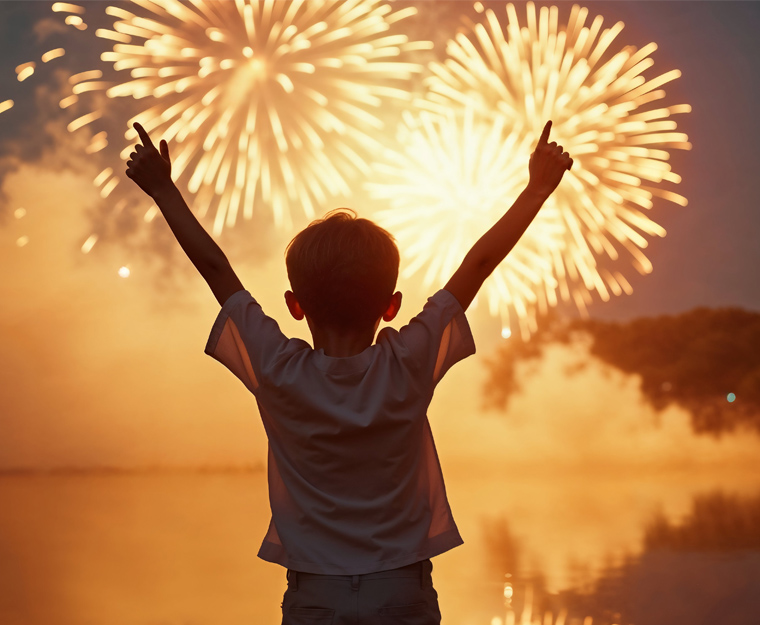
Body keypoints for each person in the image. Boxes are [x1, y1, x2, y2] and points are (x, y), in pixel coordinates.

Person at [125, 120, 572, 624]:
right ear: (392, 306)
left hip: (314, 593)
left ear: (295, 305)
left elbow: (216, 268)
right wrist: (537, 189)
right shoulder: (410, 359)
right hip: (402, 587)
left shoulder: (275, 367)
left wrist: (162, 189)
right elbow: (480, 264)